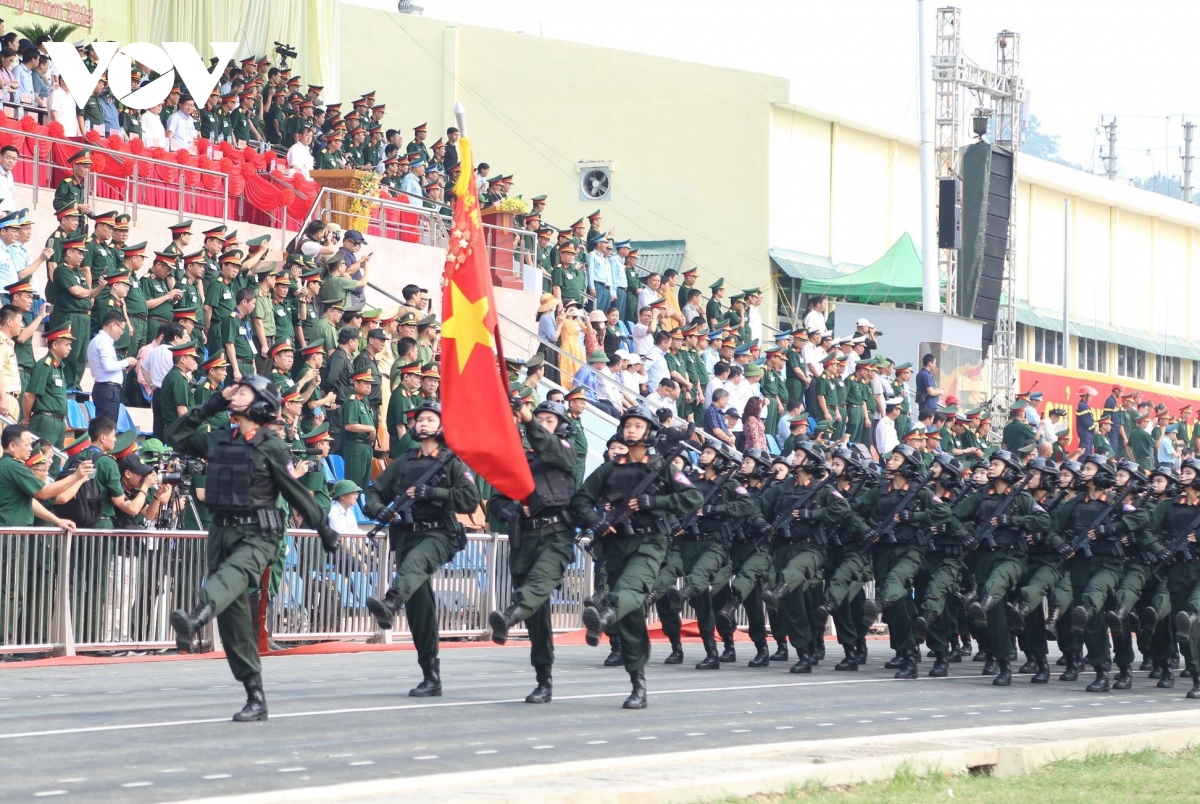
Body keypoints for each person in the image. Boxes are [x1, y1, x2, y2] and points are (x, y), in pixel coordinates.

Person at [167, 375, 338, 722]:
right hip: (222, 532)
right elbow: (176, 436)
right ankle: (255, 695)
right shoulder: (220, 440)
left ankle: (198, 615)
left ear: (261, 403)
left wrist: (324, 527)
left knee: (230, 577)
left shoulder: (270, 446)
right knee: (234, 625)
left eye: (243, 391)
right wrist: (212, 404)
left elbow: (293, 491)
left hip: (259, 535)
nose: (235, 393)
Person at [574, 407, 703, 708]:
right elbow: (581, 498)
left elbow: (693, 498)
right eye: (628, 425)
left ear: (650, 433)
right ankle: (638, 684)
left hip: (650, 542)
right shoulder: (610, 468)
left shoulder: (664, 467)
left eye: (638, 426)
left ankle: (605, 616)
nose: (631, 430)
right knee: (631, 619)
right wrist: (596, 521)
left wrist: (654, 501)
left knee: (628, 591)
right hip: (616, 544)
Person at [364, 402, 480, 697]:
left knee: (415, 564)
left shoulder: (452, 461)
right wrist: (381, 511)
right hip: (407, 535)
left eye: (429, 419)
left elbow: (469, 500)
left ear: (441, 427)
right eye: (419, 419)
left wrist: (433, 492)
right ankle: (431, 675)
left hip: (440, 533)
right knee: (420, 608)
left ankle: (390, 602)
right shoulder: (404, 462)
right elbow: (374, 492)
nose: (422, 423)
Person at [487, 400, 578, 703]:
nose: (542, 424)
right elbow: (496, 501)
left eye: (549, 420)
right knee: (537, 616)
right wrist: (513, 509)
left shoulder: (564, 453)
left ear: (561, 426)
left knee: (538, 584)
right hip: (525, 538)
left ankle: (510, 614)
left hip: (555, 535)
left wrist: (528, 419)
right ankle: (544, 678)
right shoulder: (518, 459)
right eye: (539, 418)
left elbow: (547, 443)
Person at [87, 310, 137, 423]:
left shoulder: (99, 341)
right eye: (121, 328)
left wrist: (123, 366)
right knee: (107, 427)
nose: (122, 332)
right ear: (113, 325)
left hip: (105, 388)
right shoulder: (103, 341)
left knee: (105, 426)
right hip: (108, 389)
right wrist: (126, 361)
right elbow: (108, 366)